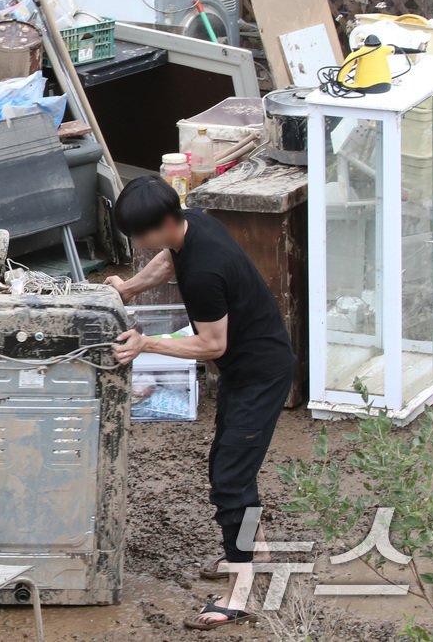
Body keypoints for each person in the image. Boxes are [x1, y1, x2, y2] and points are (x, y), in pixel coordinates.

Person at [105, 176, 294, 631]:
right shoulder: (193, 224)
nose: (139, 243)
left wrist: (146, 344)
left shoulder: (207, 271)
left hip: (259, 374)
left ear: (166, 221)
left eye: (140, 235)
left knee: (230, 480)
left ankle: (241, 594)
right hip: (247, 369)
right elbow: (168, 261)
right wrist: (129, 289)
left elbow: (211, 344)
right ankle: (256, 549)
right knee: (230, 469)